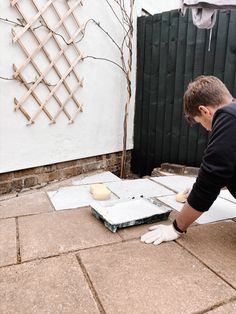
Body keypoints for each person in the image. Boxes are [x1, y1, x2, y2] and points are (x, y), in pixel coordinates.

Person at [141, 75, 236, 245]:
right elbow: (225, 169)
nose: (207, 129)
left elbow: (209, 182)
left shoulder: (227, 117)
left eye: (201, 122)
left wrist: (176, 227)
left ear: (204, 111)